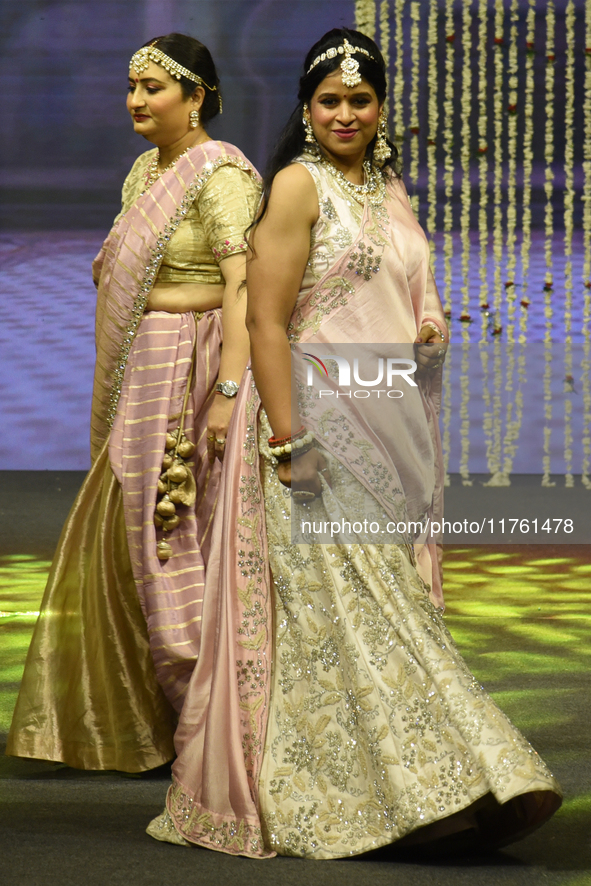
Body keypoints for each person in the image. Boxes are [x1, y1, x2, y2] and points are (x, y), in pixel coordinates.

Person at [146, 28, 561, 857]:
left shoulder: (386, 186)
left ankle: (426, 780)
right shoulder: (297, 188)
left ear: (380, 108)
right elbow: (265, 319)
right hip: (316, 433)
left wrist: (430, 317)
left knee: (383, 613)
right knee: (357, 618)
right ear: (307, 108)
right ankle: (424, 787)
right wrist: (288, 439)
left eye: (360, 100)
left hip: (388, 426)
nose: (345, 113)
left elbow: (412, 278)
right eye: (329, 100)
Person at [7, 34, 260, 772]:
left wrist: (228, 392)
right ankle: (148, 717)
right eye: (131, 86)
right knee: (130, 532)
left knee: (174, 531)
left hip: (196, 365)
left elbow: (247, 289)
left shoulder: (225, 176)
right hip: (143, 368)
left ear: (198, 96)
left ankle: (218, 725)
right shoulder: (146, 171)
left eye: (153, 88)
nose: (135, 101)